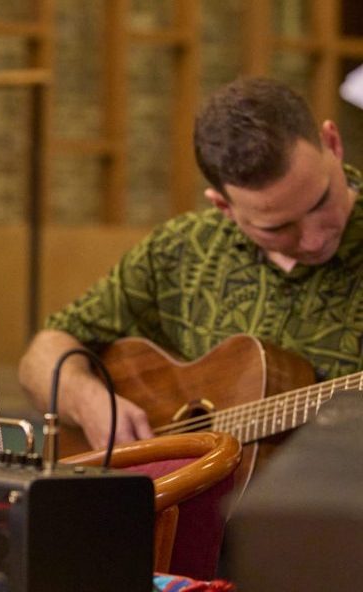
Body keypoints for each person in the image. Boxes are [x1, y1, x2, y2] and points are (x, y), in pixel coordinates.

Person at [19, 76, 363, 451]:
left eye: (320, 202)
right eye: (277, 228)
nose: (313, 239)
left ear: (333, 143)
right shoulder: (181, 249)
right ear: (224, 206)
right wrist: (87, 401)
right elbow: (45, 351)